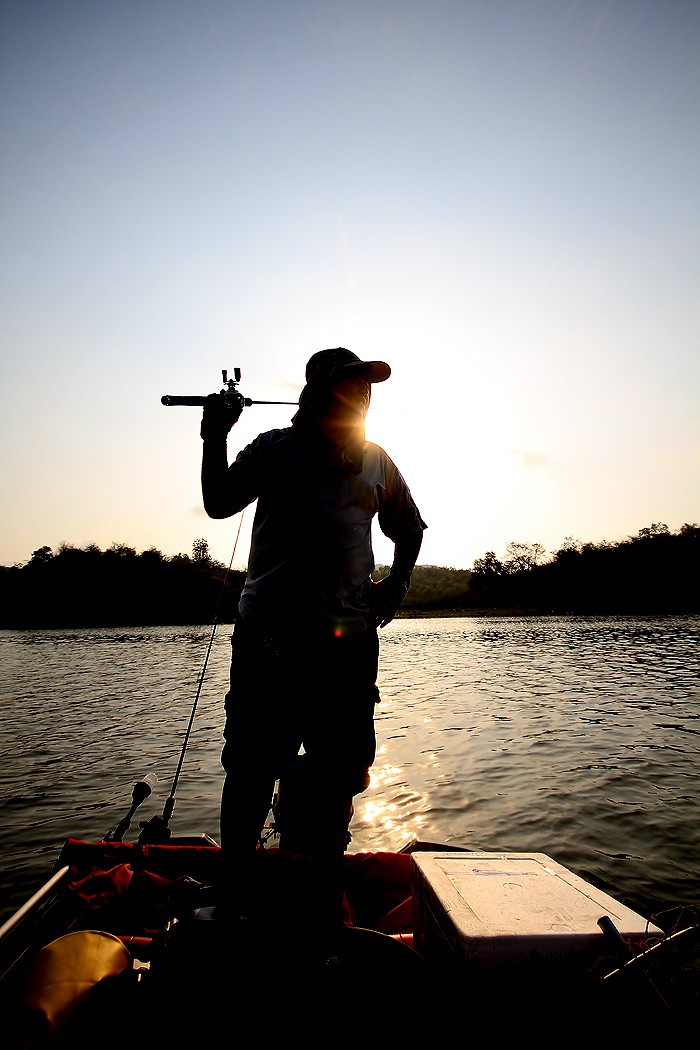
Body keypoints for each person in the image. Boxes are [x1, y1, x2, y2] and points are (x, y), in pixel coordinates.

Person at [201, 348, 426, 910]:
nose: (365, 393)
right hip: (267, 642)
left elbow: (410, 528)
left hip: (347, 648)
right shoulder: (274, 448)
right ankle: (236, 887)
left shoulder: (375, 460)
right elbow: (217, 502)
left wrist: (394, 590)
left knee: (338, 771)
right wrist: (214, 434)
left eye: (369, 386)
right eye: (355, 383)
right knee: (251, 769)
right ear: (322, 390)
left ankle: (323, 887)